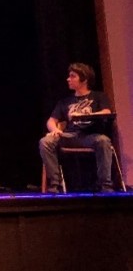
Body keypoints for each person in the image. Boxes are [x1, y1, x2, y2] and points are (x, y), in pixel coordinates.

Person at [39, 62, 115, 193]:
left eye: (72, 76)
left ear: (84, 79)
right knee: (45, 142)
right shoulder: (65, 101)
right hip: (70, 136)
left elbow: (107, 112)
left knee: (103, 141)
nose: (68, 79)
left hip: (90, 136)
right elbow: (51, 121)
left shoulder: (98, 96)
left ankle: (105, 184)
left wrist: (83, 114)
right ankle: (55, 183)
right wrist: (55, 130)